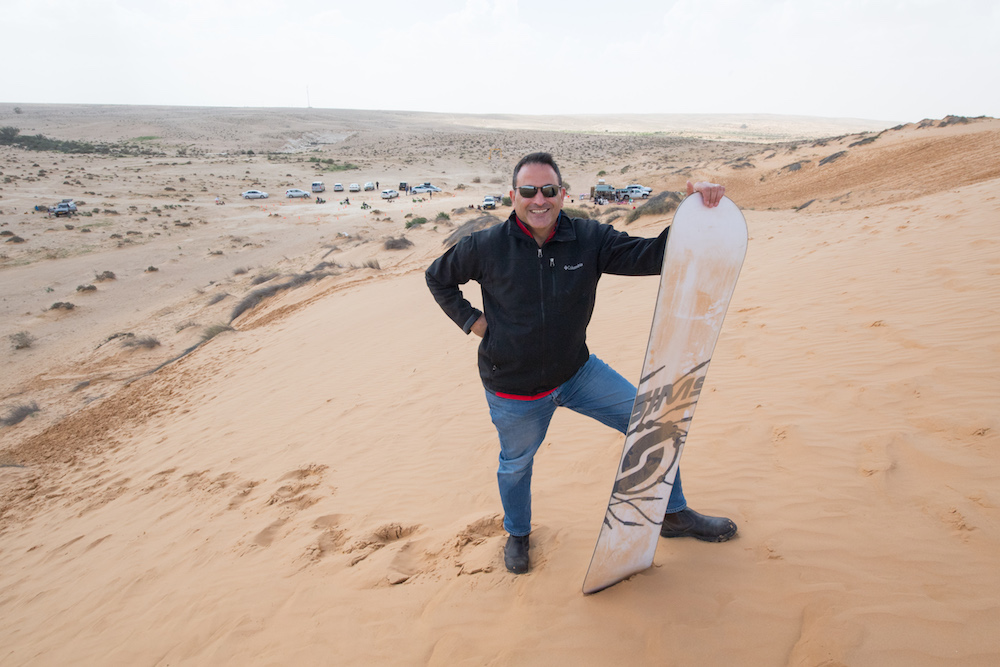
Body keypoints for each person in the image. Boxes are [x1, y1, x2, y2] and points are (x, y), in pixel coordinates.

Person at [425, 152, 737, 575]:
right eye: (529, 191)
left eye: (549, 190)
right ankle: (518, 533)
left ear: (562, 194)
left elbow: (654, 256)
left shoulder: (588, 238)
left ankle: (672, 513)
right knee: (515, 466)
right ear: (512, 195)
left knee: (655, 424)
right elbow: (437, 277)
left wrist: (695, 211)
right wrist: (474, 322)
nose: (540, 200)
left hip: (578, 373)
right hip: (513, 388)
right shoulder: (485, 247)